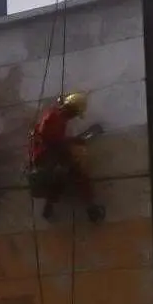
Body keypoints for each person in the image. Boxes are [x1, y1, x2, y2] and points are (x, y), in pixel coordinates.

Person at [28, 92, 105, 223]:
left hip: (46, 157)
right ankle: (92, 209)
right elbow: (52, 140)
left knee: (60, 180)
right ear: (71, 110)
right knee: (77, 175)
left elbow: (54, 139)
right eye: (74, 114)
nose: (73, 117)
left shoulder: (56, 117)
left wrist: (71, 142)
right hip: (47, 157)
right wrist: (73, 143)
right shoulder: (54, 118)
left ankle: (49, 207)